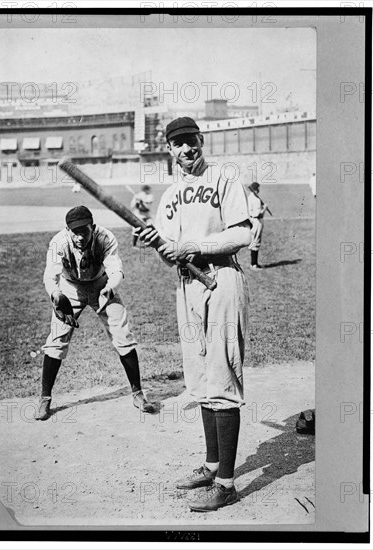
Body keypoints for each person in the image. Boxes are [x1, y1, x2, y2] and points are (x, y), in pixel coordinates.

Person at [137, 117, 252, 512]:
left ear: (201, 142)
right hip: (188, 285)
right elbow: (170, 249)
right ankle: (211, 464)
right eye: (178, 144)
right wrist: (156, 244)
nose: (186, 149)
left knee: (222, 376)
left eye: (191, 141)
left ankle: (226, 484)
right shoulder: (170, 195)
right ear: (169, 149)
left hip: (220, 280)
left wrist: (195, 247)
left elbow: (243, 234)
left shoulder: (223, 178)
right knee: (200, 379)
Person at [35, 205, 154, 420]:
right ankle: (45, 399)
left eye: (84, 230)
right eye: (75, 231)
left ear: (93, 227)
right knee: (56, 340)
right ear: (67, 230)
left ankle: (138, 394)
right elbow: (50, 275)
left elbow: (116, 269)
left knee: (123, 336)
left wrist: (111, 287)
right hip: (69, 287)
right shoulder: (59, 242)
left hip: (102, 285)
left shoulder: (105, 237)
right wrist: (56, 295)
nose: (79, 236)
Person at [247, 181, 268, 270]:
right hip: (256, 221)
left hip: (255, 220)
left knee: (256, 241)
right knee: (255, 241)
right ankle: (253, 264)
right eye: (257, 189)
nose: (258, 190)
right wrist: (264, 209)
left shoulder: (252, 197)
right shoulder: (254, 199)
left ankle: (254, 263)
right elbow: (257, 214)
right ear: (255, 190)